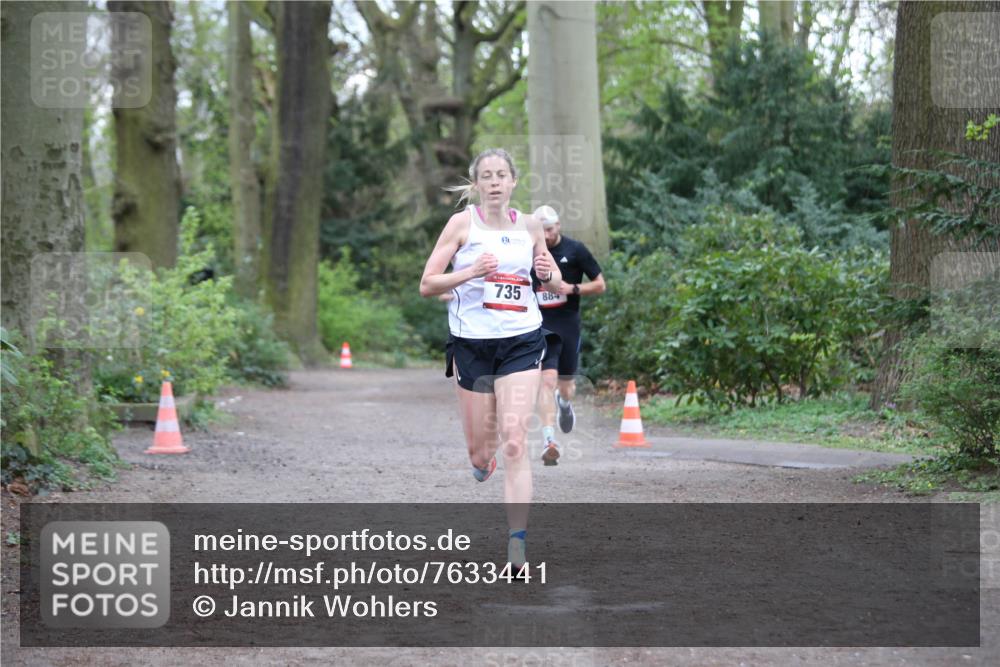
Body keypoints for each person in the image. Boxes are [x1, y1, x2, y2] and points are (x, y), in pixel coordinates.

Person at [419, 148, 562, 568]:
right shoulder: (461, 224)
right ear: (477, 184)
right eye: (487, 175)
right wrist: (469, 272)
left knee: (516, 440)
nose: (495, 181)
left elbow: (553, 277)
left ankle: (517, 544)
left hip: (521, 340)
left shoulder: (531, 226)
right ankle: (484, 462)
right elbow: (428, 283)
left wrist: (546, 272)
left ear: (513, 182)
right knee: (480, 456)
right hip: (472, 344)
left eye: (502, 174)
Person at [531, 205, 605, 466]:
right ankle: (549, 440)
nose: (547, 236)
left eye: (550, 230)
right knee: (546, 382)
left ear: (558, 226)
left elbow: (600, 284)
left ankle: (565, 403)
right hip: (540, 325)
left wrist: (571, 288)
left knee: (565, 384)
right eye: (541, 231)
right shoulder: (528, 252)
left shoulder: (575, 250)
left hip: (568, 323)